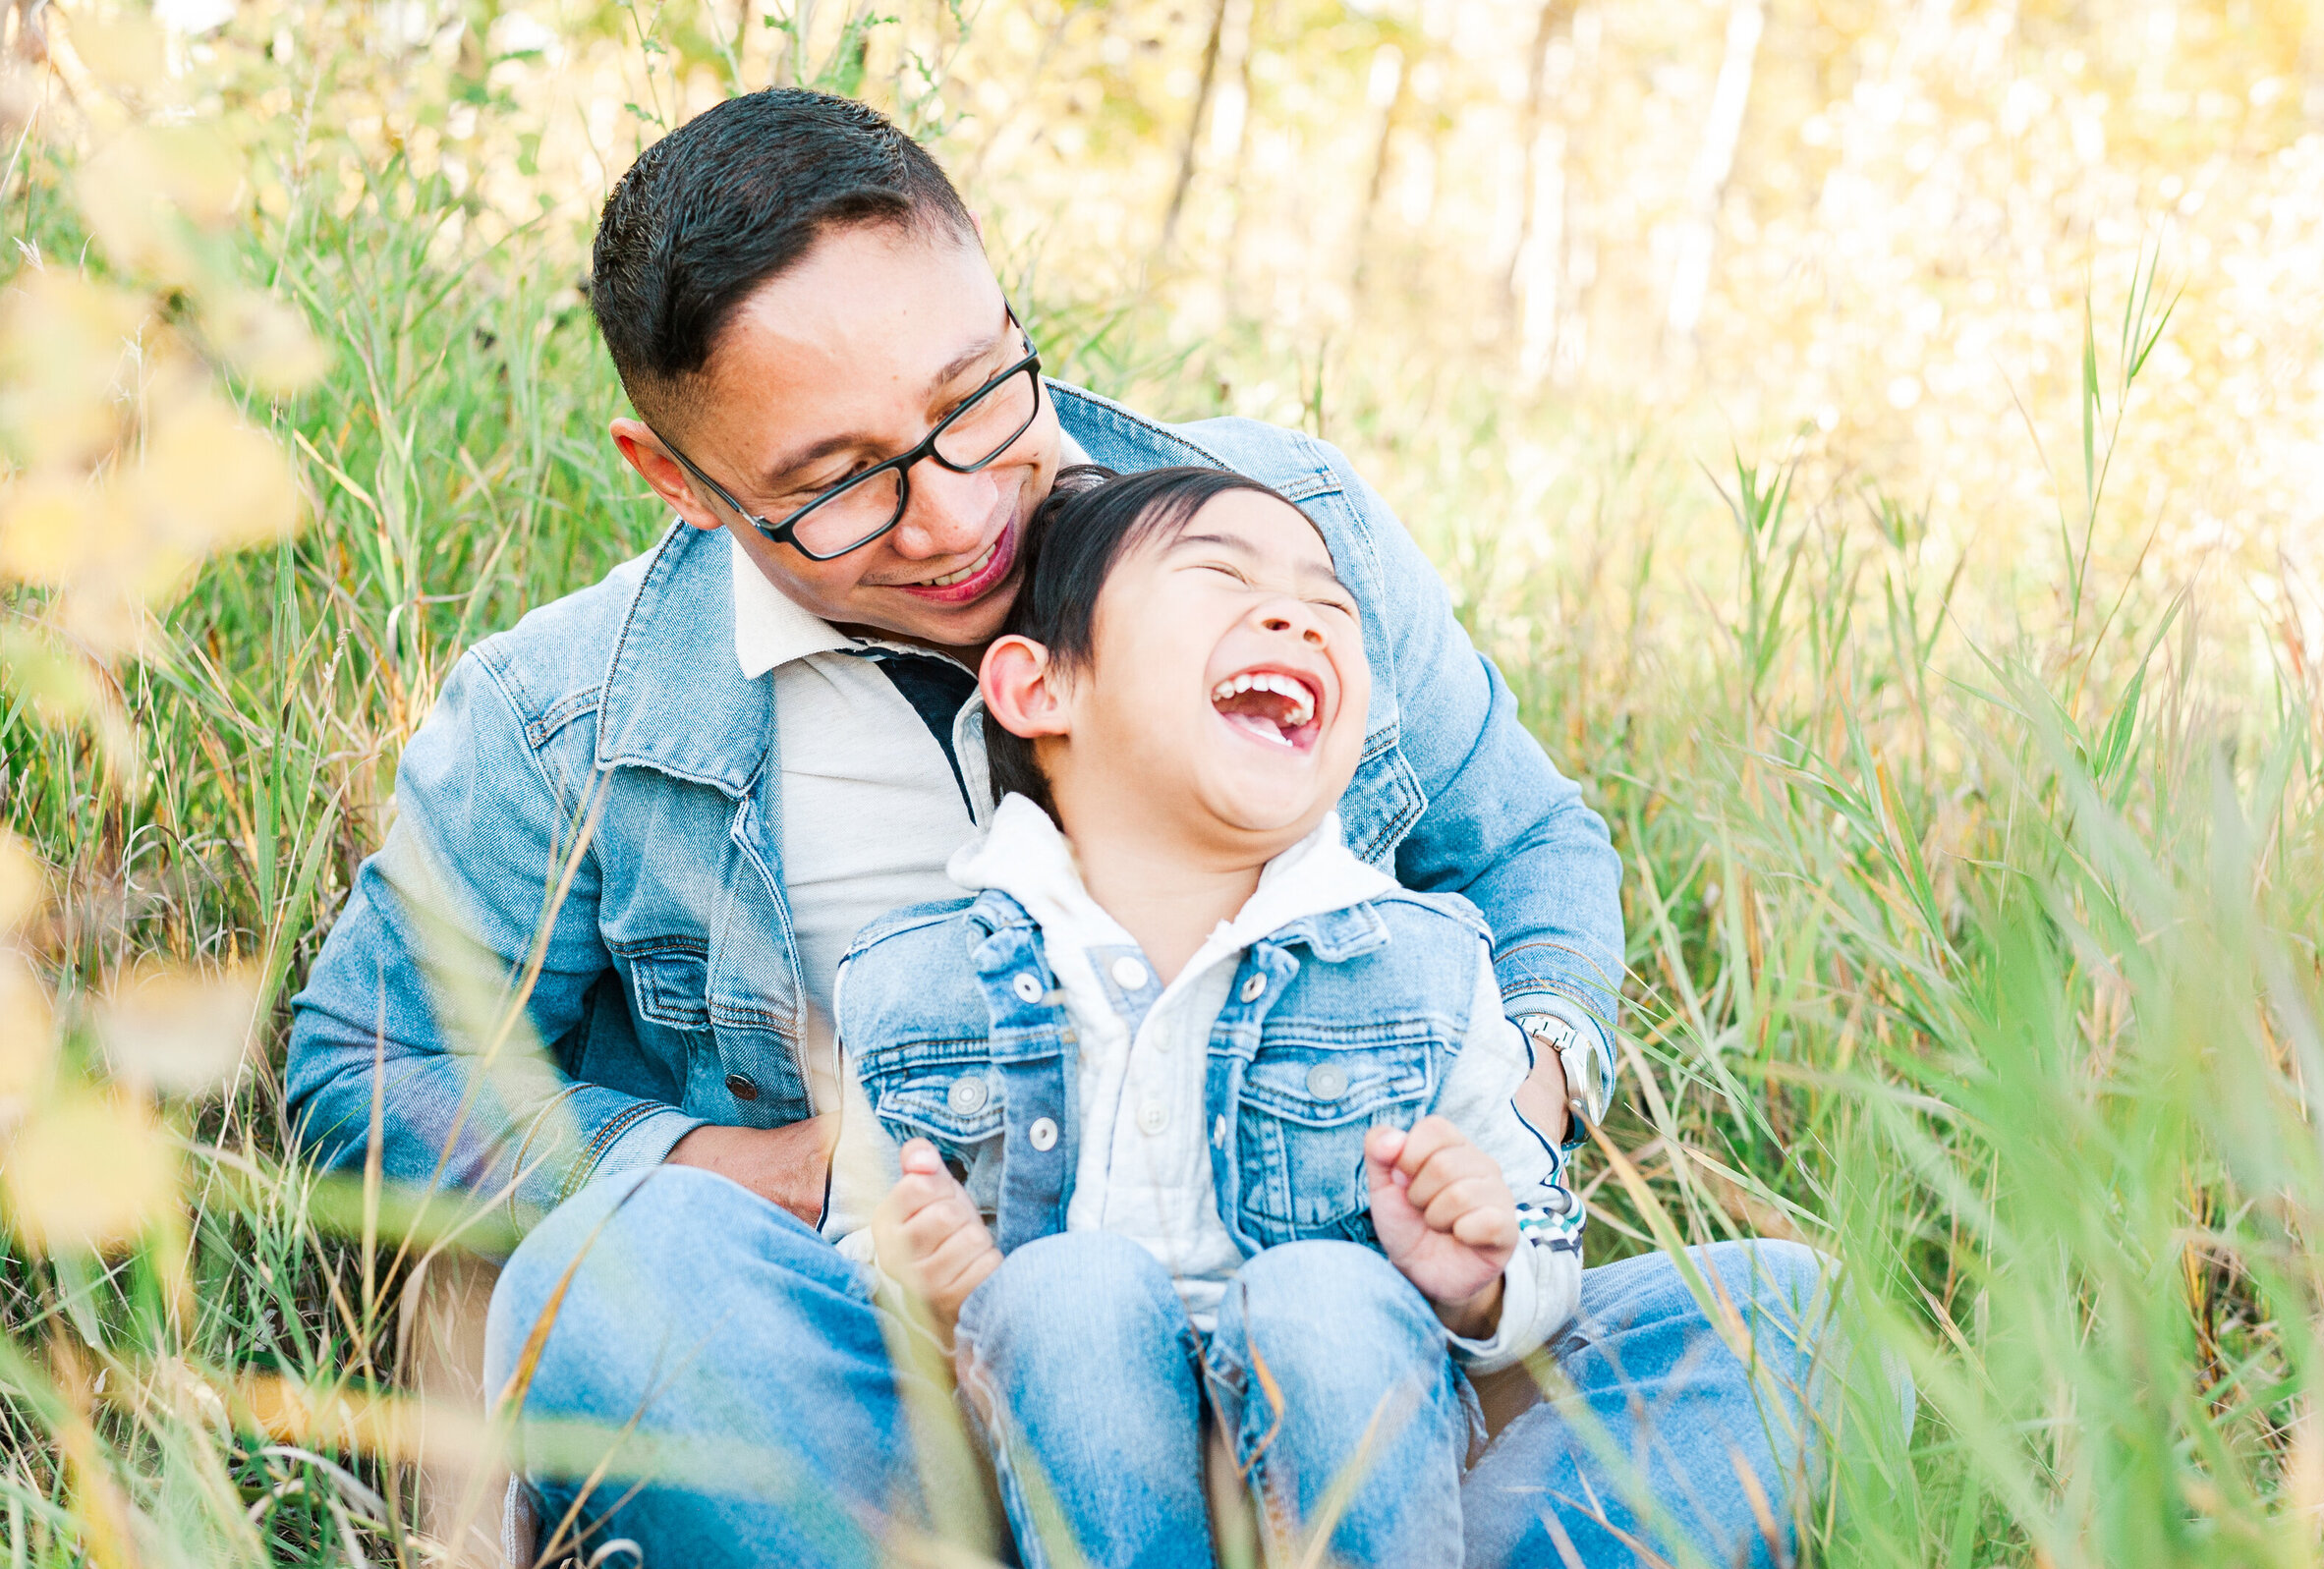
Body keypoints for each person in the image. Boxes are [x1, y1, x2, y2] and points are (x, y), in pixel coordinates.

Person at [281, 85, 1859, 1566]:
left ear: (1009, 311)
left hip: (1342, 1371)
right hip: (905, 1410)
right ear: (680, 479)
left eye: (978, 399)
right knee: (603, 1296)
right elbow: (367, 1061)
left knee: (1789, 1329)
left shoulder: (1284, 539)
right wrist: (785, 1171)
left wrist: (1494, 1139)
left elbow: (1525, 855)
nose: (962, 517)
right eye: (839, 484)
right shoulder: (570, 715)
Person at [833, 464, 1586, 1568]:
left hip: (1347, 1458)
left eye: (1332, 606)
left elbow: (1541, 1226)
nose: (1294, 614)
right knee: (1070, 1294)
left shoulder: (1424, 966)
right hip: (1053, 1490)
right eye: (1218, 576)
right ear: (1041, 690)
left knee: (1777, 1308)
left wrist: (1477, 1280)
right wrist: (931, 1284)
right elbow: (852, 1257)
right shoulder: (916, 981)